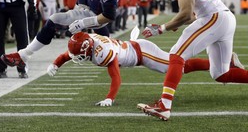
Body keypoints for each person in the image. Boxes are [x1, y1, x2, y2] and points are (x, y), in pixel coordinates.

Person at [138, 0, 248, 121]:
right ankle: (230, 64)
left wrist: (161, 28)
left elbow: (187, 14)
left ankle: (164, 106)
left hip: (213, 18)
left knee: (176, 54)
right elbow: (190, 16)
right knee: (220, 74)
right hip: (222, 18)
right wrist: (173, 23)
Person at [46, 30, 244, 106]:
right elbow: (68, 55)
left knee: (178, 67)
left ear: (88, 48)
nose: (78, 59)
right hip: (134, 49)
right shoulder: (88, 42)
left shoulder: (101, 52)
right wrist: (56, 64)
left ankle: (225, 63)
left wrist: (110, 98)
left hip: (142, 53)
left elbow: (115, 76)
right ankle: (223, 63)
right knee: (179, 66)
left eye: (80, 55)